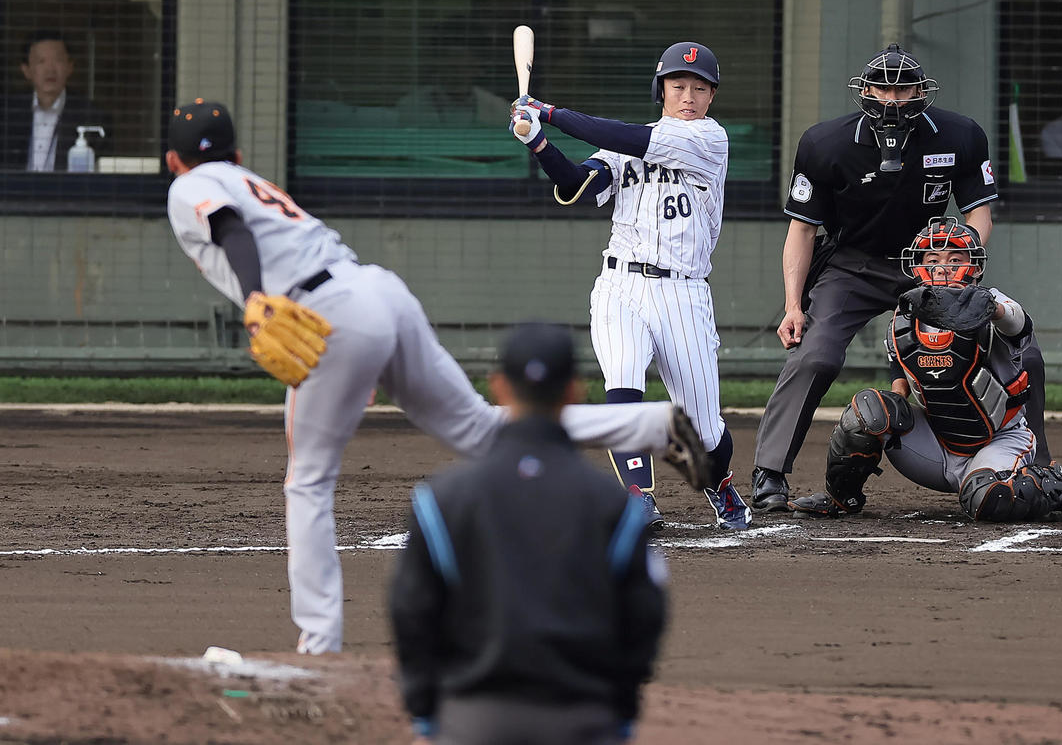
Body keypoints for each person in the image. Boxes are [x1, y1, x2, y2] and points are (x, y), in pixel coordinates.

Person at [163, 98, 708, 654]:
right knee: (480, 429)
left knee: (308, 483)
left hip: (327, 314)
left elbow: (230, 229)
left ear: (172, 160)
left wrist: (256, 298)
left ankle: (320, 644)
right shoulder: (248, 178)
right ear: (238, 153)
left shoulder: (190, 185)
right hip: (377, 291)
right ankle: (651, 424)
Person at [749, 44, 1053, 515]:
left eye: (903, 88)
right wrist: (792, 305)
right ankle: (770, 472)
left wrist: (954, 265)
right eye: (882, 88)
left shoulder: (960, 135)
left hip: (932, 265)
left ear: (921, 92)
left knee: (1021, 349)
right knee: (816, 355)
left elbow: (978, 214)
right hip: (853, 265)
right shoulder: (825, 143)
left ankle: (1038, 468)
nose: (892, 98)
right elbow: (802, 230)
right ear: (865, 91)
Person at [510, 41, 752, 531]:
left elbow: (627, 138)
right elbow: (576, 184)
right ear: (661, 90)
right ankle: (638, 497)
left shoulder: (710, 140)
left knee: (705, 430)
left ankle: (719, 483)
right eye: (678, 86)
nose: (688, 96)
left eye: (700, 88)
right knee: (622, 381)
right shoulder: (626, 145)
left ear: (712, 96)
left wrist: (549, 113)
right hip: (620, 284)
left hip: (683, 292)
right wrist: (538, 143)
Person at [389, 322, 667, 745]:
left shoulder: (442, 498)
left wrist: (426, 713)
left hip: (472, 721)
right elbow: (643, 615)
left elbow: (412, 610)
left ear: (498, 387)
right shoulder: (614, 504)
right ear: (574, 391)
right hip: (582, 720)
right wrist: (621, 710)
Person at [788, 218, 1062, 522]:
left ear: (974, 266)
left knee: (987, 499)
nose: (943, 267)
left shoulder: (991, 302)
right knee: (868, 410)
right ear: (918, 265)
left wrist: (990, 309)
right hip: (936, 447)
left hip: (998, 440)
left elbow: (1018, 323)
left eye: (955, 259)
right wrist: (884, 414)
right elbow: (899, 374)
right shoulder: (904, 316)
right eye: (933, 259)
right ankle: (841, 497)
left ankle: (1053, 485)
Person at [0, 31, 110, 171]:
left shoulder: (92, 117)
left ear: (70, 66)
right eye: (41, 61)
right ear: (26, 70)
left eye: (58, 60)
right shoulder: (7, 114)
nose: (50, 69)